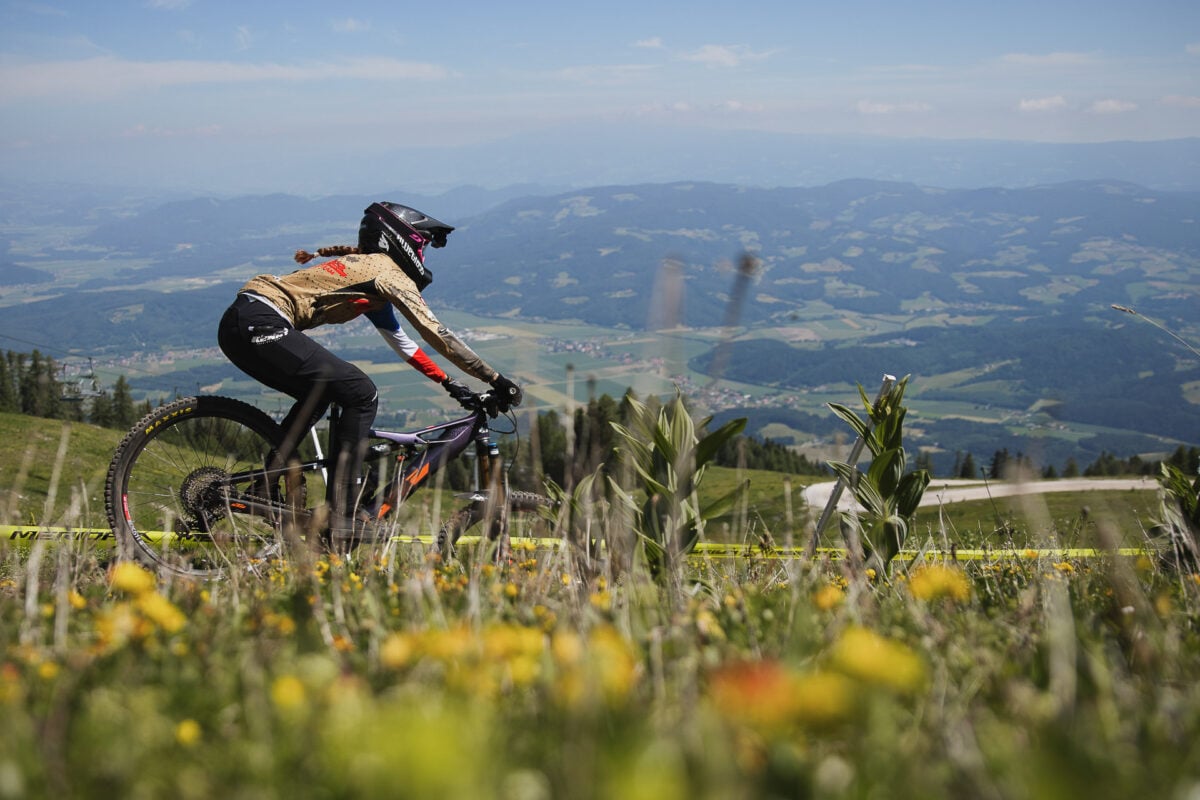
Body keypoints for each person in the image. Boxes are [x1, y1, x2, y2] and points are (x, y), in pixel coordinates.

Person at [217, 201, 522, 543]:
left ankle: (267, 482)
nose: (423, 257)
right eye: (423, 246)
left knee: (324, 392)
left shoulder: (369, 281)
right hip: (261, 320)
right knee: (361, 393)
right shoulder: (385, 270)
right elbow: (436, 333)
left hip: (241, 322)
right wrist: (495, 379)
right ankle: (344, 513)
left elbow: (405, 344)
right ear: (403, 240)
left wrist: (451, 383)